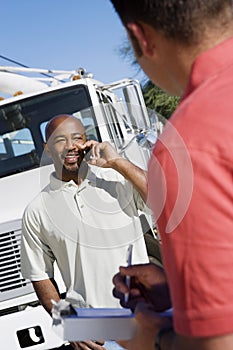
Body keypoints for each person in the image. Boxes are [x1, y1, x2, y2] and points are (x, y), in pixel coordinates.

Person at [110, 1, 233, 349]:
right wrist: (183, 295)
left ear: (141, 38)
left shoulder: (188, 144)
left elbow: (218, 344)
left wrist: (151, 337)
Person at [20, 114, 151, 350]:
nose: (70, 146)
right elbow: (40, 276)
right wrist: (68, 326)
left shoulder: (119, 180)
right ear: (47, 149)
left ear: (87, 142)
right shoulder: (37, 211)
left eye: (77, 138)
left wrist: (118, 162)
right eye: (60, 140)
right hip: (98, 337)